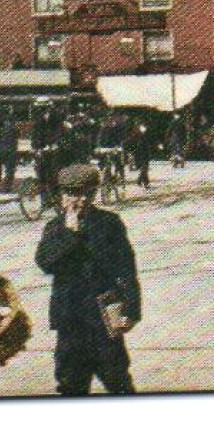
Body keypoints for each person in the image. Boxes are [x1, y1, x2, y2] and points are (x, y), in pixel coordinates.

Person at [35, 163, 142, 395]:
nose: (79, 200)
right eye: (72, 193)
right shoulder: (54, 228)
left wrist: (132, 310)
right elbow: (45, 263)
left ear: (93, 194)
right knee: (71, 385)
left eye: (86, 193)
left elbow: (126, 268)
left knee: (119, 382)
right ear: (61, 196)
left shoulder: (109, 223)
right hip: (70, 321)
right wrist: (69, 233)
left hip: (104, 318)